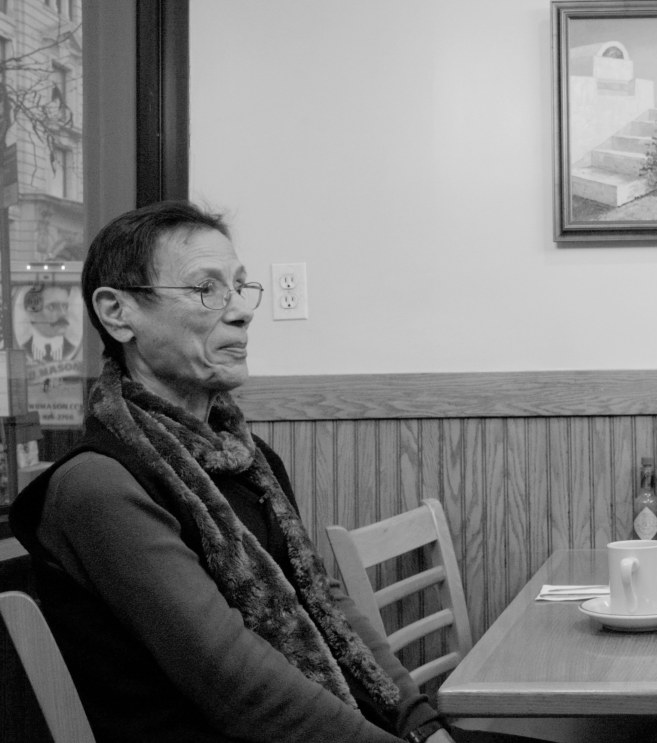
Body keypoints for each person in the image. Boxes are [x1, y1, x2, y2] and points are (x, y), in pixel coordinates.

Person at [9, 201, 527, 743]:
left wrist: (421, 725)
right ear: (118, 313)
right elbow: (235, 683)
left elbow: (326, 605)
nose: (239, 311)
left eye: (239, 287)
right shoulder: (99, 486)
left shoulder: (246, 455)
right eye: (207, 289)